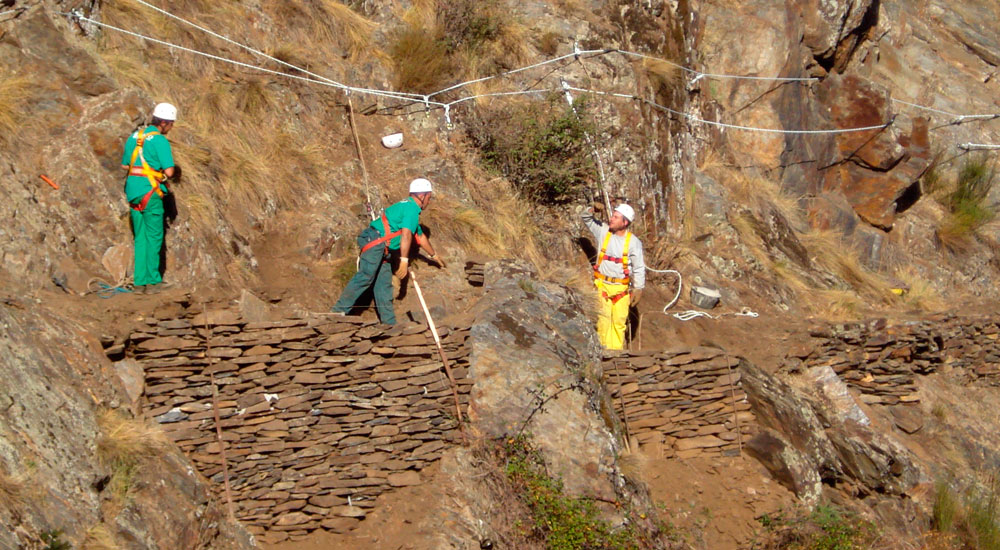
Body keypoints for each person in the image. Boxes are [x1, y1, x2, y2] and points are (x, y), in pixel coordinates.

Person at [331, 178, 446, 324]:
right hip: (376, 241)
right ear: (422, 196)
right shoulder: (411, 209)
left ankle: (389, 324)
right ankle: (336, 312)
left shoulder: (408, 207)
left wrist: (434, 256)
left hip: (382, 247)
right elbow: (406, 235)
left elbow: (420, 237)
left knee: (383, 285)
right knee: (366, 276)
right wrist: (404, 261)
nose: (429, 201)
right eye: (429, 197)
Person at [122, 102, 176, 294]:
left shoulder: (134, 137)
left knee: (140, 237)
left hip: (133, 192)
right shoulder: (160, 141)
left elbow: (124, 166)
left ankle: (139, 282)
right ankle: (153, 281)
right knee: (154, 236)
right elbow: (169, 172)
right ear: (164, 123)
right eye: (171, 124)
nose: (171, 128)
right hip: (151, 193)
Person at [581, 202, 646, 350]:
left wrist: (638, 288)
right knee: (603, 322)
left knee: (618, 323)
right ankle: (602, 353)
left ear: (625, 222)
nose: (611, 219)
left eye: (616, 217)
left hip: (621, 290)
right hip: (602, 286)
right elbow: (586, 217)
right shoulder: (603, 231)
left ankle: (617, 355)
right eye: (612, 216)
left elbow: (639, 267)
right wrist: (593, 209)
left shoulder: (633, 242)